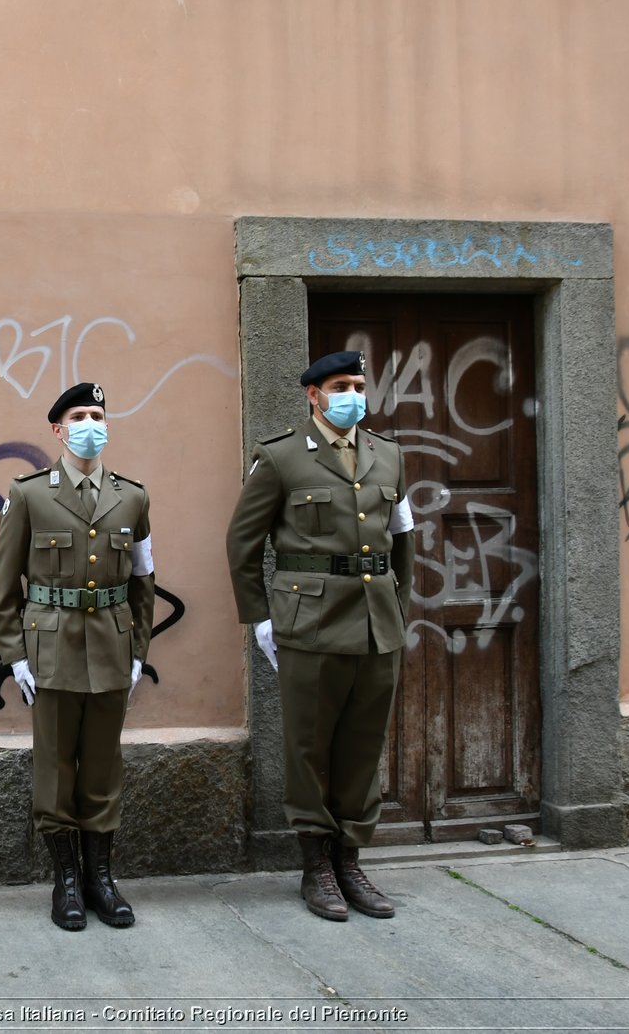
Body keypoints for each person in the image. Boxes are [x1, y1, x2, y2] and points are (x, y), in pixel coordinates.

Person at [225, 350, 416, 921]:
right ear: (314, 394)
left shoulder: (390, 456)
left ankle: (350, 861)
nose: (352, 394)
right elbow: (242, 543)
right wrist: (261, 619)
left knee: (362, 746)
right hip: (306, 625)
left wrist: (398, 607)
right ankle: (316, 867)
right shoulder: (281, 458)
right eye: (340, 385)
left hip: (377, 623)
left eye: (359, 384)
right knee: (309, 748)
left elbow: (402, 540)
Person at [0, 382, 156, 931]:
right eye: (80, 416)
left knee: (103, 768)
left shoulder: (132, 496)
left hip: (112, 644)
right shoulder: (29, 493)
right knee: (56, 768)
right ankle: (65, 882)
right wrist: (15, 655)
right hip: (51, 649)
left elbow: (143, 580)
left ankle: (100, 879)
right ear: (59, 430)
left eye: (99, 414)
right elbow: (4, 584)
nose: (92, 424)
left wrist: (138, 650)